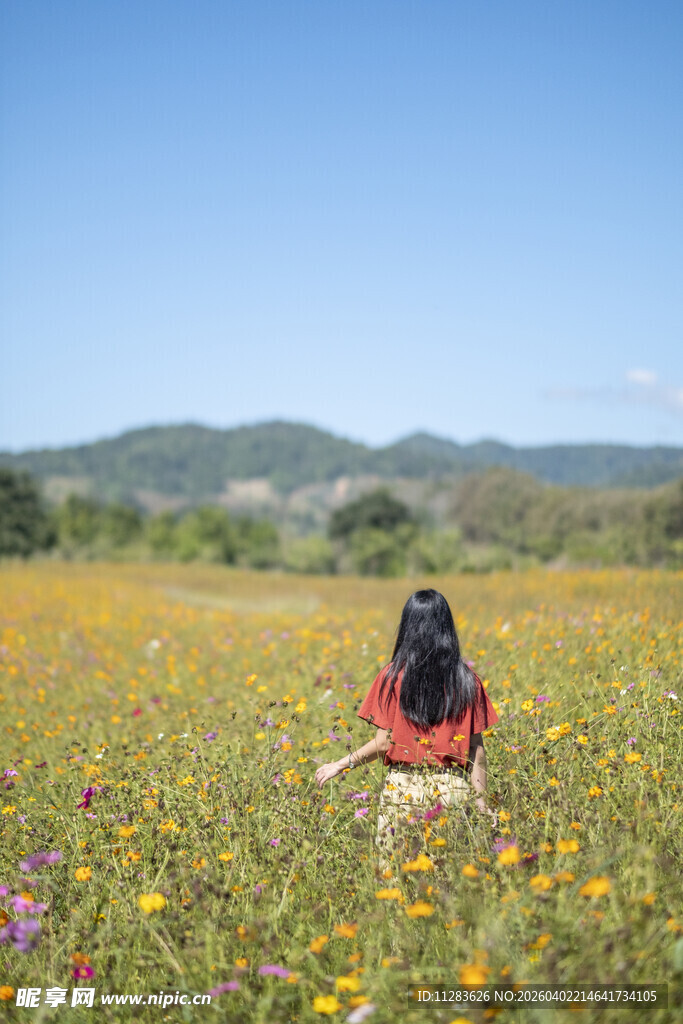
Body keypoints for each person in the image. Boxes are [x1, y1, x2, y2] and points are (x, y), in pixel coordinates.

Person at [315, 589, 499, 867]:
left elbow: (382, 743)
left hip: (404, 790)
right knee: (446, 884)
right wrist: (482, 803)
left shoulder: (391, 676)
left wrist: (341, 764)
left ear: (408, 626)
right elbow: (476, 751)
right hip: (452, 791)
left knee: (395, 880)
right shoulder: (467, 680)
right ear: (446, 626)